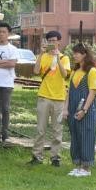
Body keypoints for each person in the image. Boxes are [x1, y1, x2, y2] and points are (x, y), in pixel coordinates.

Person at [30, 30, 70, 166]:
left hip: (59, 97)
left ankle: (55, 157)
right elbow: (35, 71)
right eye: (50, 41)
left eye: (54, 40)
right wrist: (41, 53)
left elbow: (65, 75)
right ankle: (37, 156)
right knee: (41, 128)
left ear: (59, 41)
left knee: (57, 130)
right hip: (44, 96)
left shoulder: (65, 58)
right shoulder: (43, 56)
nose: (52, 43)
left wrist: (58, 58)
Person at [65, 43, 96, 177]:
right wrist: (65, 109)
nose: (74, 56)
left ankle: (86, 168)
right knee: (76, 136)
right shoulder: (74, 71)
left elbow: (92, 92)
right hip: (72, 108)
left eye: (76, 53)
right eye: (73, 53)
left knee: (86, 136)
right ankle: (78, 165)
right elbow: (69, 92)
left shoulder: (92, 71)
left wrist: (84, 110)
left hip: (87, 111)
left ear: (84, 54)